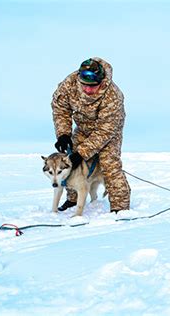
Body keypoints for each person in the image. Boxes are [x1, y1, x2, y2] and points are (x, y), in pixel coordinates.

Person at [51, 57, 131, 212]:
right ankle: (73, 200)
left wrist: (82, 152)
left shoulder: (113, 96)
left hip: (108, 131)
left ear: (101, 81)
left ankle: (120, 207)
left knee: (109, 165)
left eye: (92, 86)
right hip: (82, 127)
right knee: (70, 161)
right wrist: (63, 134)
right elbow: (60, 108)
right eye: (84, 85)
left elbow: (105, 131)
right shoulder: (70, 84)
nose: (87, 90)